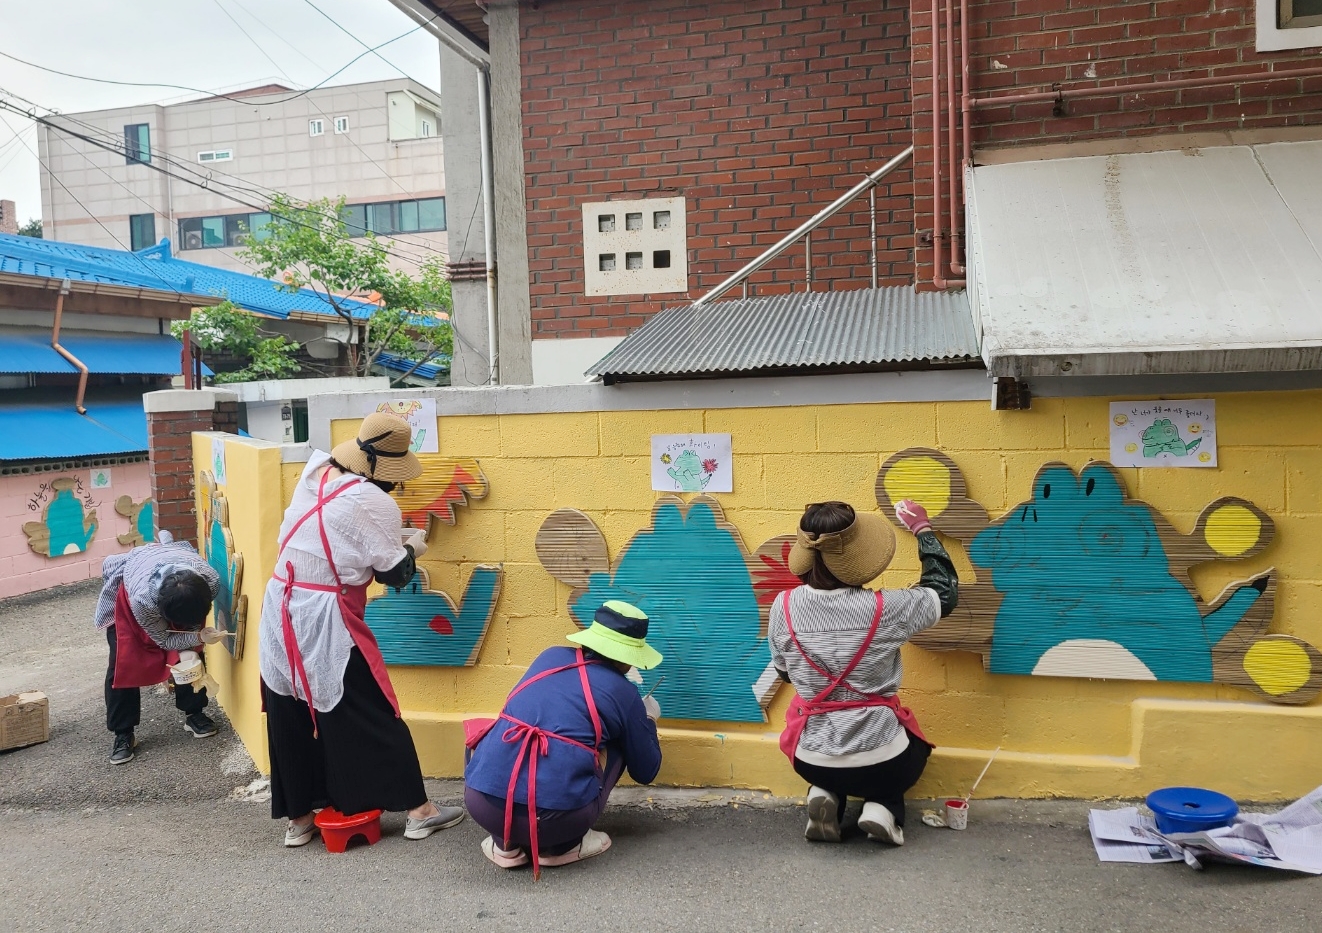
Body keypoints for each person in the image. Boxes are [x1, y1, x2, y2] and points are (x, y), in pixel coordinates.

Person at [258, 412, 464, 848]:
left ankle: (299, 817)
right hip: (325, 614)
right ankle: (419, 812)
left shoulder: (314, 472)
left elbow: (332, 535)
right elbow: (395, 574)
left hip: (280, 604)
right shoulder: (375, 503)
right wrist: (412, 546)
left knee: (287, 707)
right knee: (367, 706)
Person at [769, 499, 958, 846]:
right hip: (882, 760)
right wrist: (922, 530)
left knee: (830, 771)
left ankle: (826, 794)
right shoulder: (887, 609)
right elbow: (943, 591)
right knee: (913, 751)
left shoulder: (782, 608)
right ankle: (882, 809)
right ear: (856, 555)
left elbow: (785, 674)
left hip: (811, 758)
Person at [464, 600, 663, 876]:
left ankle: (504, 843)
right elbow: (646, 770)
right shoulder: (624, 693)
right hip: (555, 822)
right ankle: (563, 847)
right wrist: (648, 720)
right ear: (628, 655)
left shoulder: (550, 657)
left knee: (495, 731)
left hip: (482, 805)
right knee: (618, 742)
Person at [94, 530, 227, 765]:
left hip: (177, 584)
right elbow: (164, 640)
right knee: (123, 663)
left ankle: (195, 713)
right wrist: (198, 637)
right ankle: (123, 732)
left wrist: (197, 636)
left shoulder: (210, 580)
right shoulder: (142, 599)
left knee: (190, 655)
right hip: (132, 593)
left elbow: (188, 637)